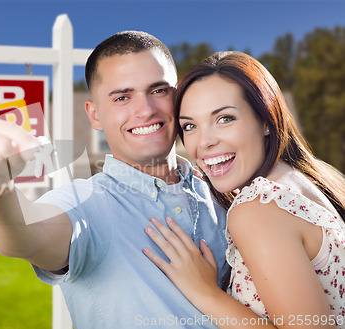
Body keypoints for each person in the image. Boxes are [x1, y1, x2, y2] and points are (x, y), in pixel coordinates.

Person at [0, 31, 229, 328]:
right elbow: (25, 235)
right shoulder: (87, 202)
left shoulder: (220, 190)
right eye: (122, 97)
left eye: (159, 90)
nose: (146, 110)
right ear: (95, 115)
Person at [143, 51, 345, 328]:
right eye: (190, 126)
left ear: (265, 119)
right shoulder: (306, 180)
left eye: (225, 118)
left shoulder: (258, 209)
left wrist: (206, 293)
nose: (204, 143)